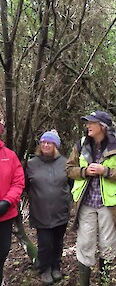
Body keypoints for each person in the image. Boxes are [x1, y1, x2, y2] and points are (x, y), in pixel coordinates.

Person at [66, 110, 116, 286]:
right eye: (87, 122)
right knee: (85, 243)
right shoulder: (80, 144)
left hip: (109, 204)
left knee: (107, 245)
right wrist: (84, 171)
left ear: (102, 126)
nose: (88, 126)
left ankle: (104, 281)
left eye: (91, 123)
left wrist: (106, 172)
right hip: (86, 203)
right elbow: (69, 169)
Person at [25, 129, 71, 285]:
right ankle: (45, 269)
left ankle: (56, 266)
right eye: (43, 142)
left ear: (55, 146)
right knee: (45, 243)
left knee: (58, 241)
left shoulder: (65, 163)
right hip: (41, 212)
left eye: (49, 142)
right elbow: (25, 186)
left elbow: (71, 185)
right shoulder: (31, 164)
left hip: (61, 210)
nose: (46, 144)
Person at [0, 118, 25, 285]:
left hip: (5, 215)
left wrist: (7, 202)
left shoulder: (10, 156)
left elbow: (18, 182)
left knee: (2, 252)